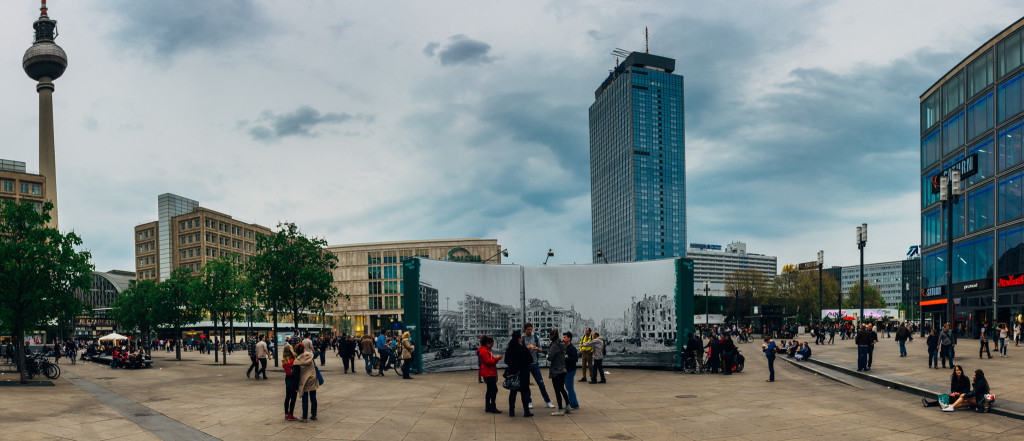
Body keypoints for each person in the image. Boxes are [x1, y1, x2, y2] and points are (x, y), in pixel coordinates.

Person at [522, 323, 555, 409]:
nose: (530, 331)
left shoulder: (536, 337)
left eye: (531, 329)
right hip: (525, 364)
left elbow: (540, 349)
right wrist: (527, 348)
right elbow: (520, 351)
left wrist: (536, 348)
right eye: (528, 329)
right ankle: (529, 402)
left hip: (534, 363)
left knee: (541, 383)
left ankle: (547, 401)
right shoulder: (522, 338)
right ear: (525, 330)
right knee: (526, 384)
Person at [504, 331, 533, 418]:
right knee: (524, 392)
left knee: (513, 392)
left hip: (513, 374)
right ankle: (526, 411)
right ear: (519, 339)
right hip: (523, 374)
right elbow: (530, 360)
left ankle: (511, 411)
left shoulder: (509, 349)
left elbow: (506, 361)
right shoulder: (523, 349)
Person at [546, 329, 570, 416]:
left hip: (556, 370)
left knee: (557, 390)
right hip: (563, 369)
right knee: (562, 389)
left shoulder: (555, 345)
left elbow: (550, 357)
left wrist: (548, 354)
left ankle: (560, 409)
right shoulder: (561, 343)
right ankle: (567, 405)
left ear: (552, 336)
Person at [478, 335, 503, 414]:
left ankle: (488, 406)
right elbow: (488, 362)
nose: (492, 346)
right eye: (492, 344)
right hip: (489, 373)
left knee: (489, 390)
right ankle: (492, 407)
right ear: (488, 344)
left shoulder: (484, 350)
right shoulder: (484, 351)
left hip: (488, 372)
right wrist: (497, 359)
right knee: (493, 390)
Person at [293, 343, 318, 422]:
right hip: (312, 378)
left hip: (304, 380)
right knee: (313, 397)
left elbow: (296, 375)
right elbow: (316, 353)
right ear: (304, 349)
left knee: (305, 398)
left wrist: (296, 387)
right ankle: (314, 415)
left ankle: (305, 417)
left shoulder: (297, 361)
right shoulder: (310, 355)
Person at [563, 332, 579, 411]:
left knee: (569, 388)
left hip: (570, 370)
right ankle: (575, 403)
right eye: (563, 337)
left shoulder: (571, 348)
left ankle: (571, 404)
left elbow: (575, 359)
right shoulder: (566, 347)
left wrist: (567, 358)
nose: (563, 339)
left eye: (565, 337)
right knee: (570, 387)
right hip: (568, 370)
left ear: (569, 338)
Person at [282, 343, 299, 421]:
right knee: (293, 397)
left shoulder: (284, 361)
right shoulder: (293, 360)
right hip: (293, 379)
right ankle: (291, 414)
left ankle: (286, 413)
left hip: (287, 378)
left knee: (287, 397)